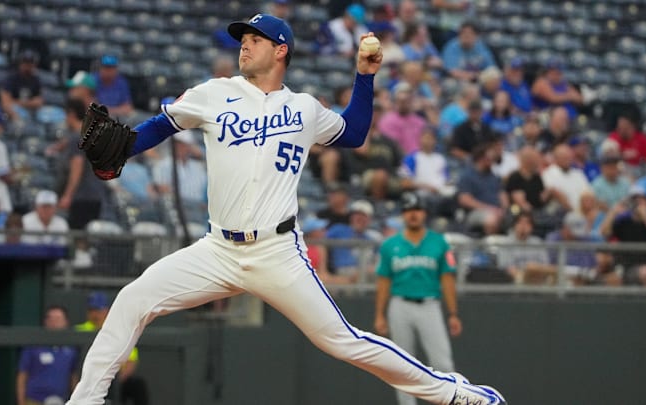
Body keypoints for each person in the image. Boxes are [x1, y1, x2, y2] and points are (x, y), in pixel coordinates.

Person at [65, 14, 506, 405]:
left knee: (342, 342)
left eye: (255, 38)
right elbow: (161, 125)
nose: (244, 44)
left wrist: (365, 77)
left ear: (281, 50)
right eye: (242, 38)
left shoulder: (304, 108)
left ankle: (454, 392)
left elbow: (352, 134)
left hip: (277, 252)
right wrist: (124, 150)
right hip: (217, 249)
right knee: (131, 300)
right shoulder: (215, 93)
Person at [374, 192, 461, 405]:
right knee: (402, 366)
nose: (413, 214)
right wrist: (379, 314)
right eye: (409, 210)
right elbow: (384, 281)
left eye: (418, 210)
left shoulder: (439, 242)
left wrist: (453, 313)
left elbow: (447, 279)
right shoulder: (390, 245)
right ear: (403, 214)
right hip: (400, 304)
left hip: (429, 304)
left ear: (425, 214)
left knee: (443, 363)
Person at [75, 291, 149, 405]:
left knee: (137, 384)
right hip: (87, 377)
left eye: (98, 310)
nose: (94, 314)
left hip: (114, 378)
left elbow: (131, 362)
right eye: (91, 310)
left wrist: (113, 383)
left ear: (107, 311)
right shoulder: (79, 330)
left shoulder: (118, 329)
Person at [56, 98, 108, 230]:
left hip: (81, 196)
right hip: (96, 194)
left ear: (71, 114)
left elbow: (77, 168)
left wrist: (68, 195)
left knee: (78, 238)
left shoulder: (76, 138)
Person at [16, 305, 79, 405]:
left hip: (62, 401)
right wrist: (21, 402)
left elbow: (73, 377)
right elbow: (22, 376)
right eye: (50, 318)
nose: (53, 322)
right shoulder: (34, 345)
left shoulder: (71, 349)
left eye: (58, 319)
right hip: (35, 401)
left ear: (66, 322)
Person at [325, 199, 379, 280]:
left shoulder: (371, 237)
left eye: (363, 215)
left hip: (365, 273)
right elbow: (319, 243)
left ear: (369, 219)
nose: (359, 218)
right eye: (356, 214)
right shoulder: (338, 230)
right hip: (342, 271)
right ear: (351, 217)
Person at [606, 111, 646, 178]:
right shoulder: (614, 137)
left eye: (624, 127)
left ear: (632, 126)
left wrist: (638, 156)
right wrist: (622, 155)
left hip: (639, 171)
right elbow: (607, 157)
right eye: (619, 127)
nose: (621, 129)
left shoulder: (642, 139)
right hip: (620, 172)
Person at [4, 49, 44, 121]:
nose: (28, 67)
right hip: (14, 112)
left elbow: (39, 102)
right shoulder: (11, 79)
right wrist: (30, 103)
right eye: (25, 63)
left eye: (30, 64)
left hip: (31, 112)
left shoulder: (36, 80)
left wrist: (17, 102)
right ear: (20, 64)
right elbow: (6, 102)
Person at [94, 55, 134, 119]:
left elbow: (128, 108)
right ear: (100, 68)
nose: (108, 72)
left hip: (116, 118)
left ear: (116, 69)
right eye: (106, 68)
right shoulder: (93, 80)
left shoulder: (121, 82)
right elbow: (91, 106)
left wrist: (108, 111)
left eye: (111, 68)